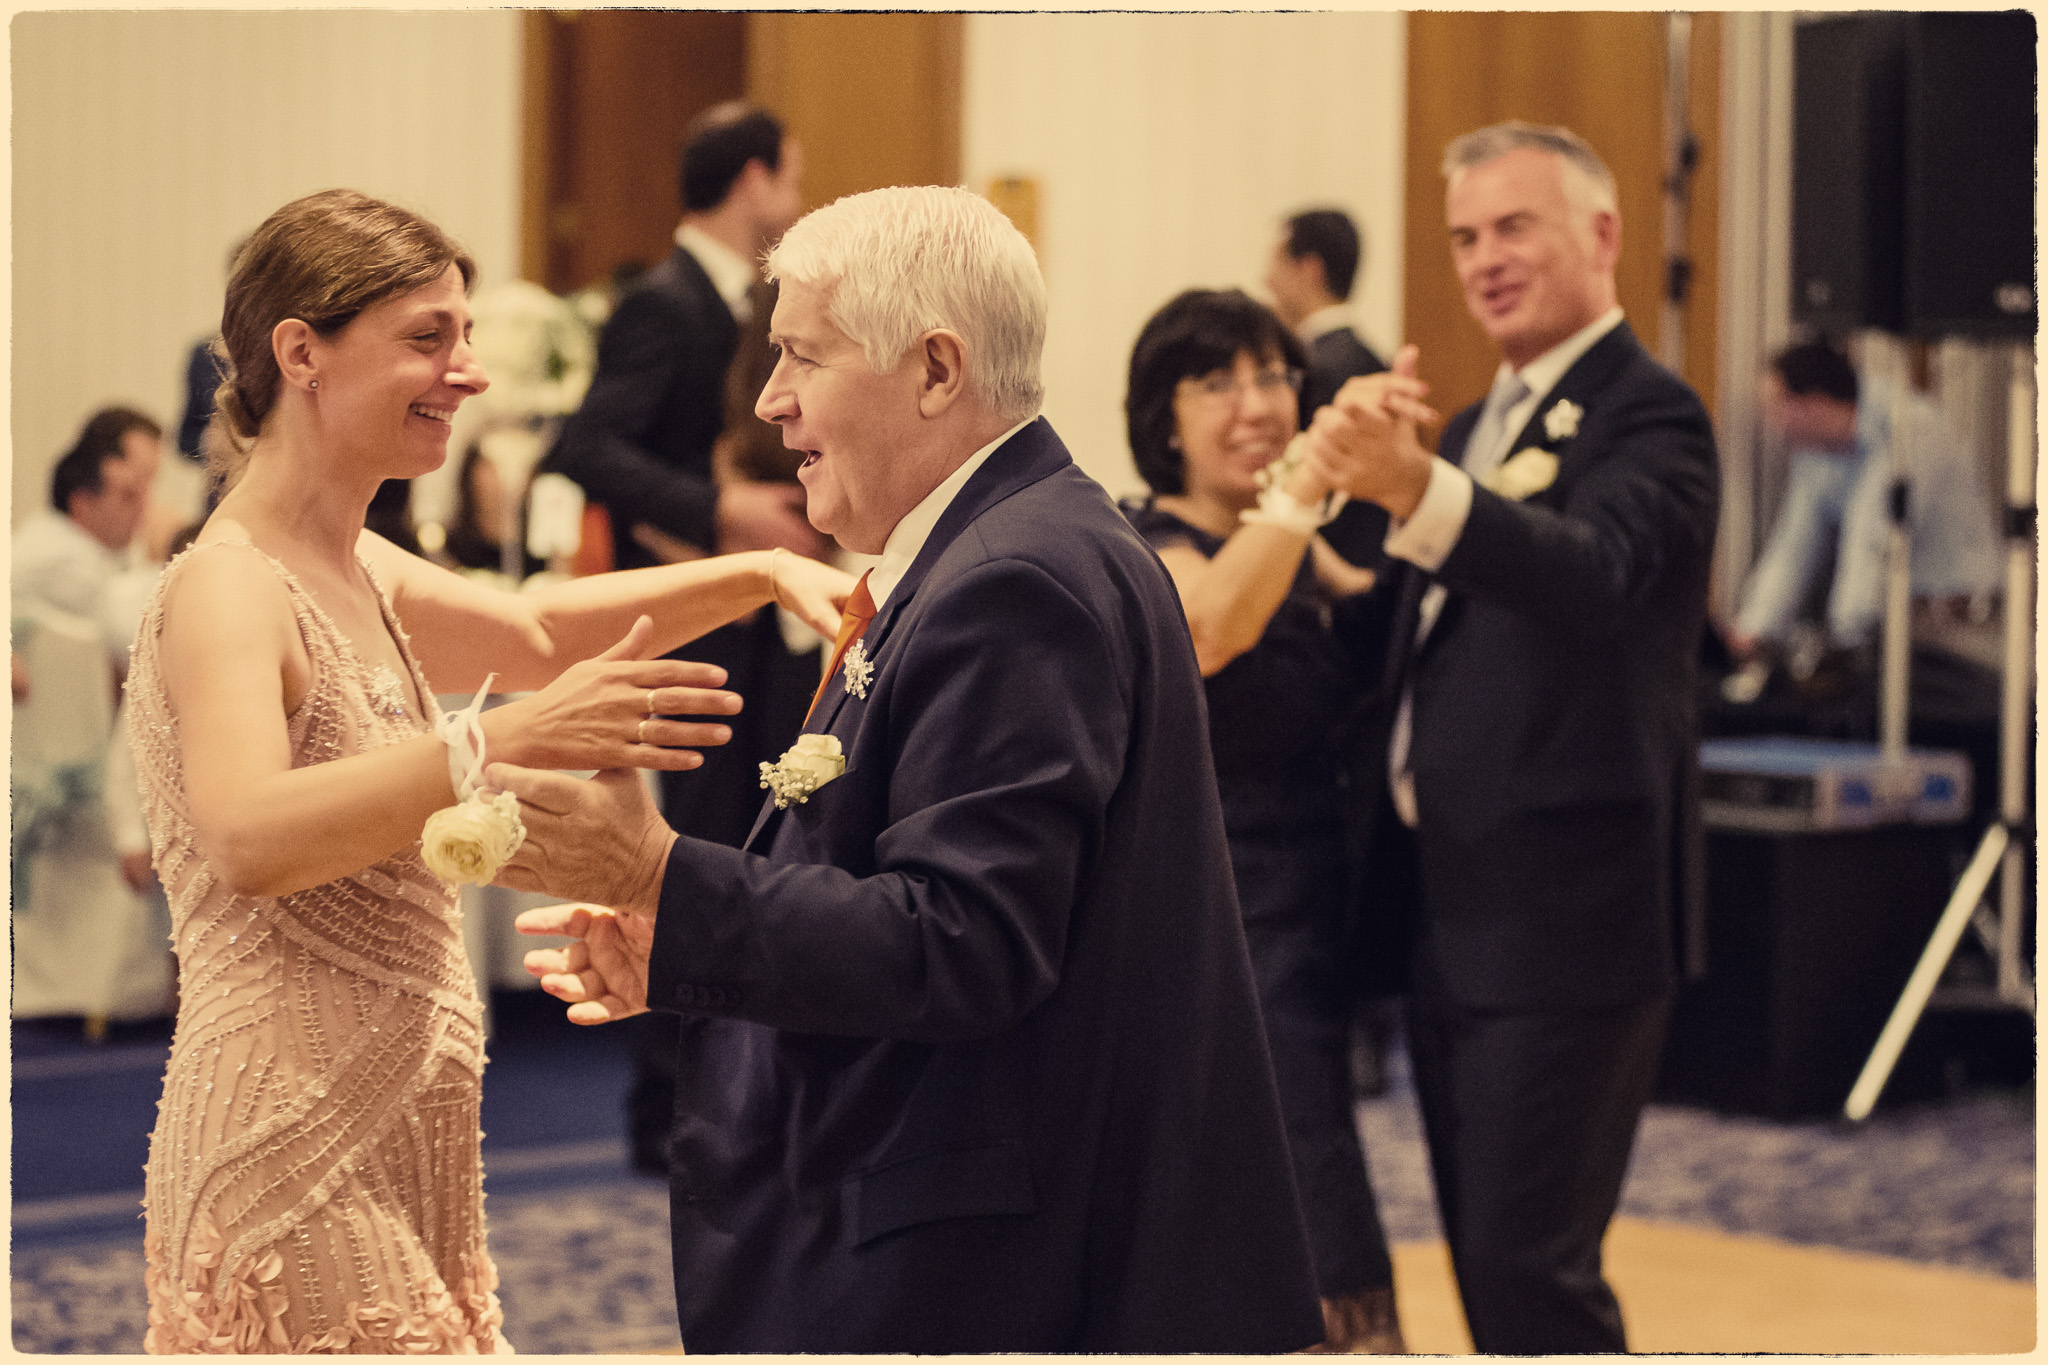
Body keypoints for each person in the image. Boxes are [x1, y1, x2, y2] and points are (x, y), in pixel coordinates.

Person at [492, 185, 1323, 1354]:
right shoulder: (992, 547)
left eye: (801, 355)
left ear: (936, 370)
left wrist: (662, 875)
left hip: (994, 1269)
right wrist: (682, 938)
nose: (770, 400)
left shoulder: (1012, 579)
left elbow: (960, 942)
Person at [126, 187, 852, 1354]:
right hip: (286, 1142)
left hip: (403, 1134)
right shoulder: (227, 583)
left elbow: (536, 633)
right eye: (428, 338)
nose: (467, 373)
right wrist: (496, 743)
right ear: (301, 352)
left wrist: (762, 574)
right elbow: (246, 836)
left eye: (465, 336)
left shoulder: (352, 561)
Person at [1301, 122, 1719, 1353]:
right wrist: (1287, 522)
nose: (1482, 259)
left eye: (1512, 227)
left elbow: (1589, 573)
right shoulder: (1480, 420)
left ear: (1601, 234)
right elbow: (1413, 626)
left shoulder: (1650, 415)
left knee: (1527, 1270)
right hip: (1450, 911)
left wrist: (1412, 486)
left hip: (1565, 920)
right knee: (1490, 1271)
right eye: (1463, 237)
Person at [545, 101, 833, 1176]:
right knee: (694, 856)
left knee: (756, 843)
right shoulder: (661, 303)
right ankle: (669, 1108)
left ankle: (735, 1097)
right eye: (789, 175)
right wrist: (724, 513)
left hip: (759, 620)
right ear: (753, 178)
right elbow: (587, 447)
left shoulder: (750, 300)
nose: (795, 198)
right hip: (688, 618)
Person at [1118, 287, 1402, 1353]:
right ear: (1165, 418)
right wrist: (1304, 487)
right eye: (1216, 383)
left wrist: (1410, 480)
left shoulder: (1280, 541)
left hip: (1308, 913)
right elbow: (1206, 629)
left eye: (1273, 376)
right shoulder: (1149, 539)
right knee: (1294, 1184)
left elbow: (1371, 609)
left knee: (1302, 1165)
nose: (1256, 404)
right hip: (1224, 927)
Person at [1727, 338, 2000, 664]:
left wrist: (1845, 645)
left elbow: (1873, 537)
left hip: (1955, 627)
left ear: (1815, 403)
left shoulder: (1908, 426)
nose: (1773, 423)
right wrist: (1753, 630)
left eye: (1777, 407)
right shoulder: (1817, 451)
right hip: (1891, 622)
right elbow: (1792, 545)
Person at [12, 406, 164, 675]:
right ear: (81, 501)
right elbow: (136, 638)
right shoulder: (60, 555)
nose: (145, 510)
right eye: (129, 495)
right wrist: (166, 552)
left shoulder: (80, 549)